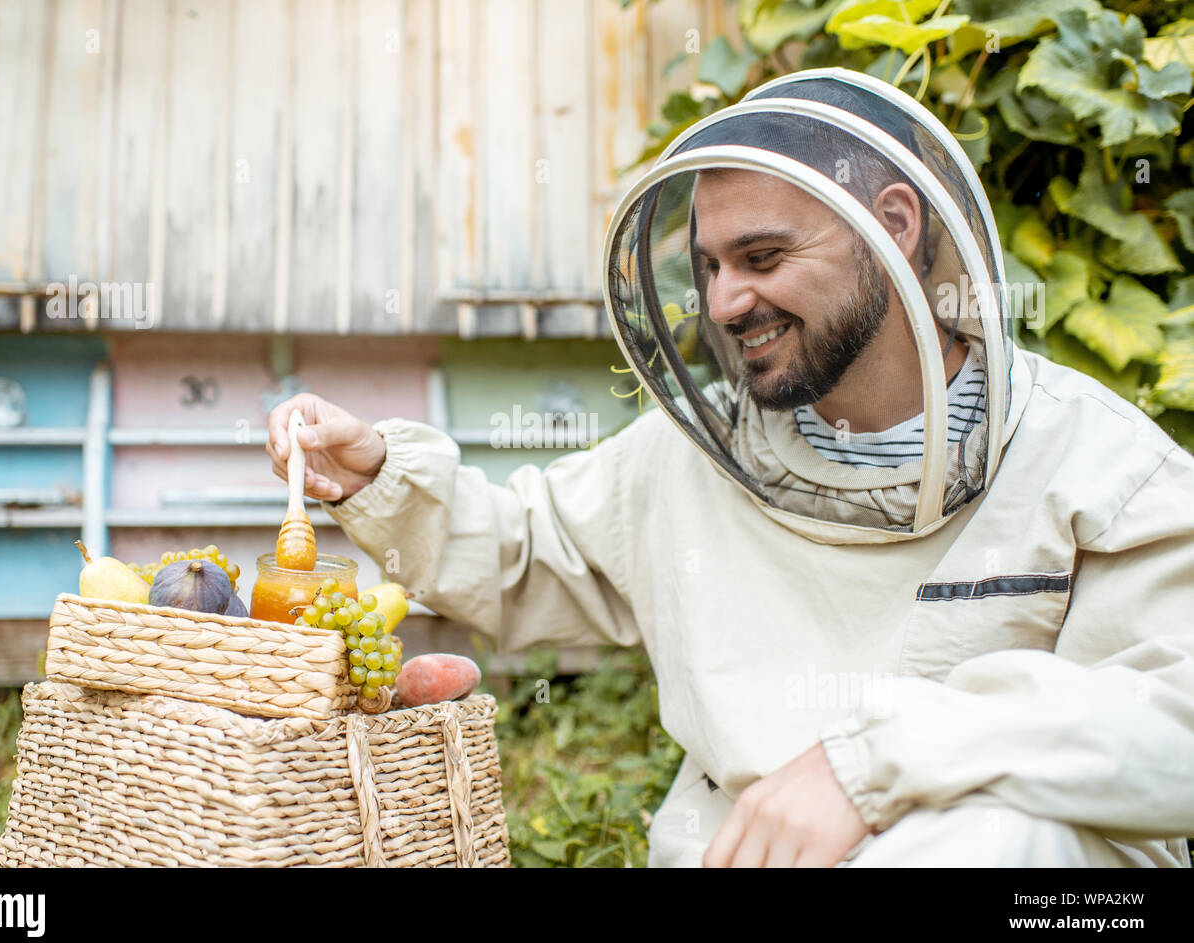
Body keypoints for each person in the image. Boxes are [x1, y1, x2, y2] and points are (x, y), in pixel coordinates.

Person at [266, 69, 1194, 867]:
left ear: (896, 224)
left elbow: (1174, 725)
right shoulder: (693, 459)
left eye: (761, 256)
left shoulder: (1098, 467)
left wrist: (869, 765)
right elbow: (522, 552)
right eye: (709, 265)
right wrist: (377, 471)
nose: (724, 300)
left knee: (1000, 840)